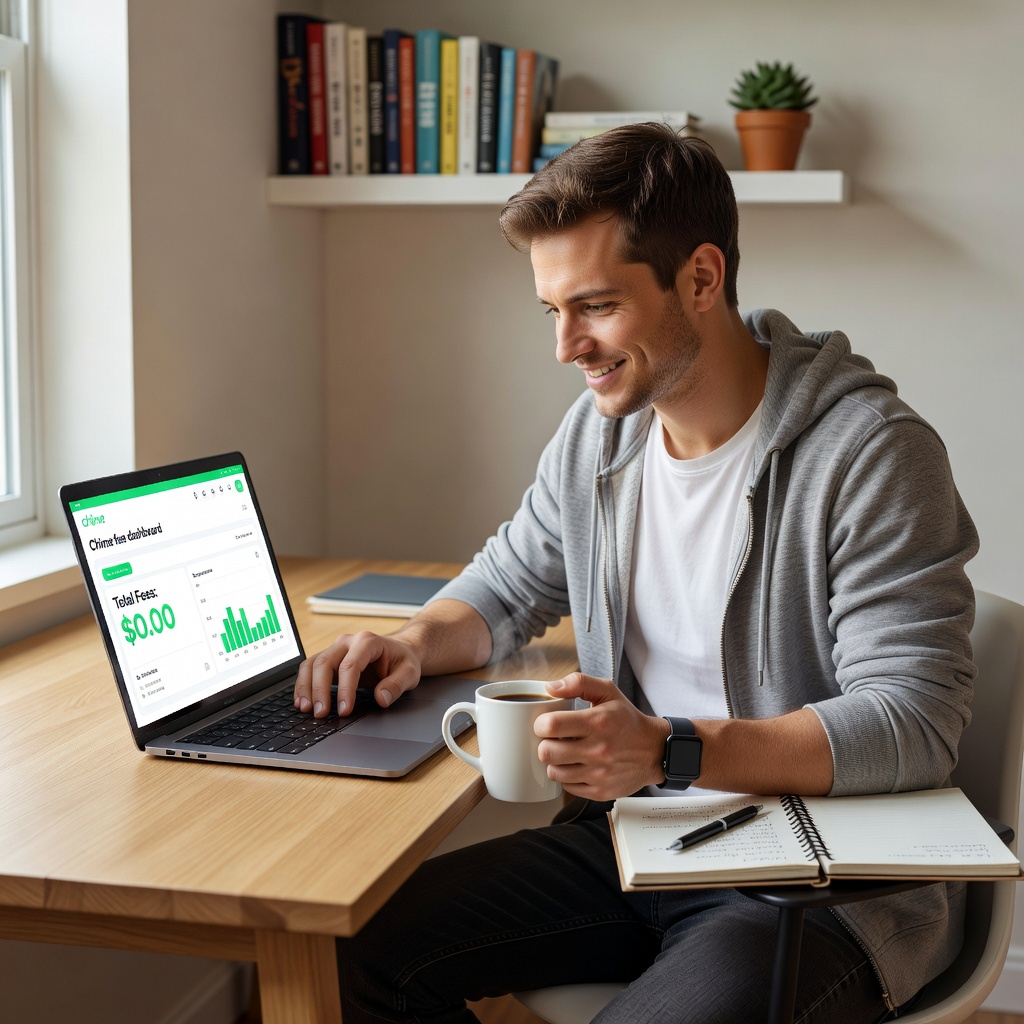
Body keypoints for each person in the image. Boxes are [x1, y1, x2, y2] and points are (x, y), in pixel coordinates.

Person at [294, 124, 979, 1023]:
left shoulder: (871, 454)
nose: (565, 345)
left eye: (596, 306)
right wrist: (414, 644)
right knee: (355, 954)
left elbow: (912, 723)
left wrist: (669, 747)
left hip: (813, 882)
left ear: (701, 277)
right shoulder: (601, 434)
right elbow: (506, 584)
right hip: (634, 842)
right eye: (553, 312)